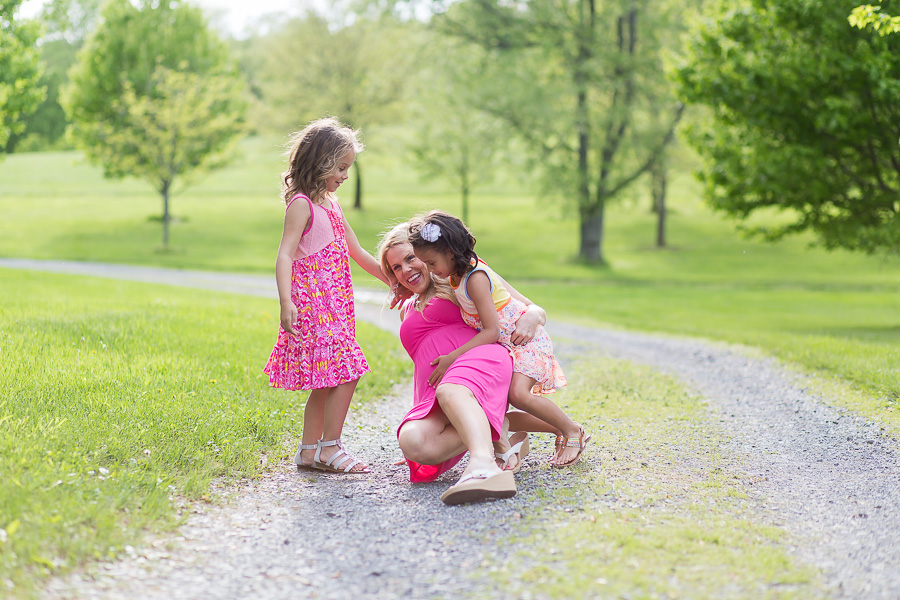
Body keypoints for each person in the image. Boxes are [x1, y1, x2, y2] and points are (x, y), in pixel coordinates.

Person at [407, 211, 590, 468]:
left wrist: (452, 358)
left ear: (449, 252)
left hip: (524, 342)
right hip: (506, 345)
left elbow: (491, 331)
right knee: (500, 402)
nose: (428, 269)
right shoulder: (454, 275)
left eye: (431, 262)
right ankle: (539, 434)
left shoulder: (475, 278)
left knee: (518, 394)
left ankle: (572, 431)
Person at [264, 117, 390, 474]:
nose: (345, 175)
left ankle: (308, 451)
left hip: (335, 307)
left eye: (348, 168)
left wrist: (395, 283)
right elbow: (285, 254)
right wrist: (286, 302)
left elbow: (360, 253)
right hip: (314, 305)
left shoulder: (331, 203)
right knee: (346, 371)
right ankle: (330, 447)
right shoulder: (301, 204)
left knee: (328, 378)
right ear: (320, 162)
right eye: (341, 167)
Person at [378, 224, 521, 504]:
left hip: (478, 364)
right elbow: (423, 369)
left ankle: (483, 464)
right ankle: (494, 425)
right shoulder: (408, 306)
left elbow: (517, 301)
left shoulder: (458, 278)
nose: (405, 270)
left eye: (410, 258)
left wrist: (535, 315)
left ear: (428, 255)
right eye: (396, 267)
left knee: (450, 391)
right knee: (413, 442)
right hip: (440, 390)